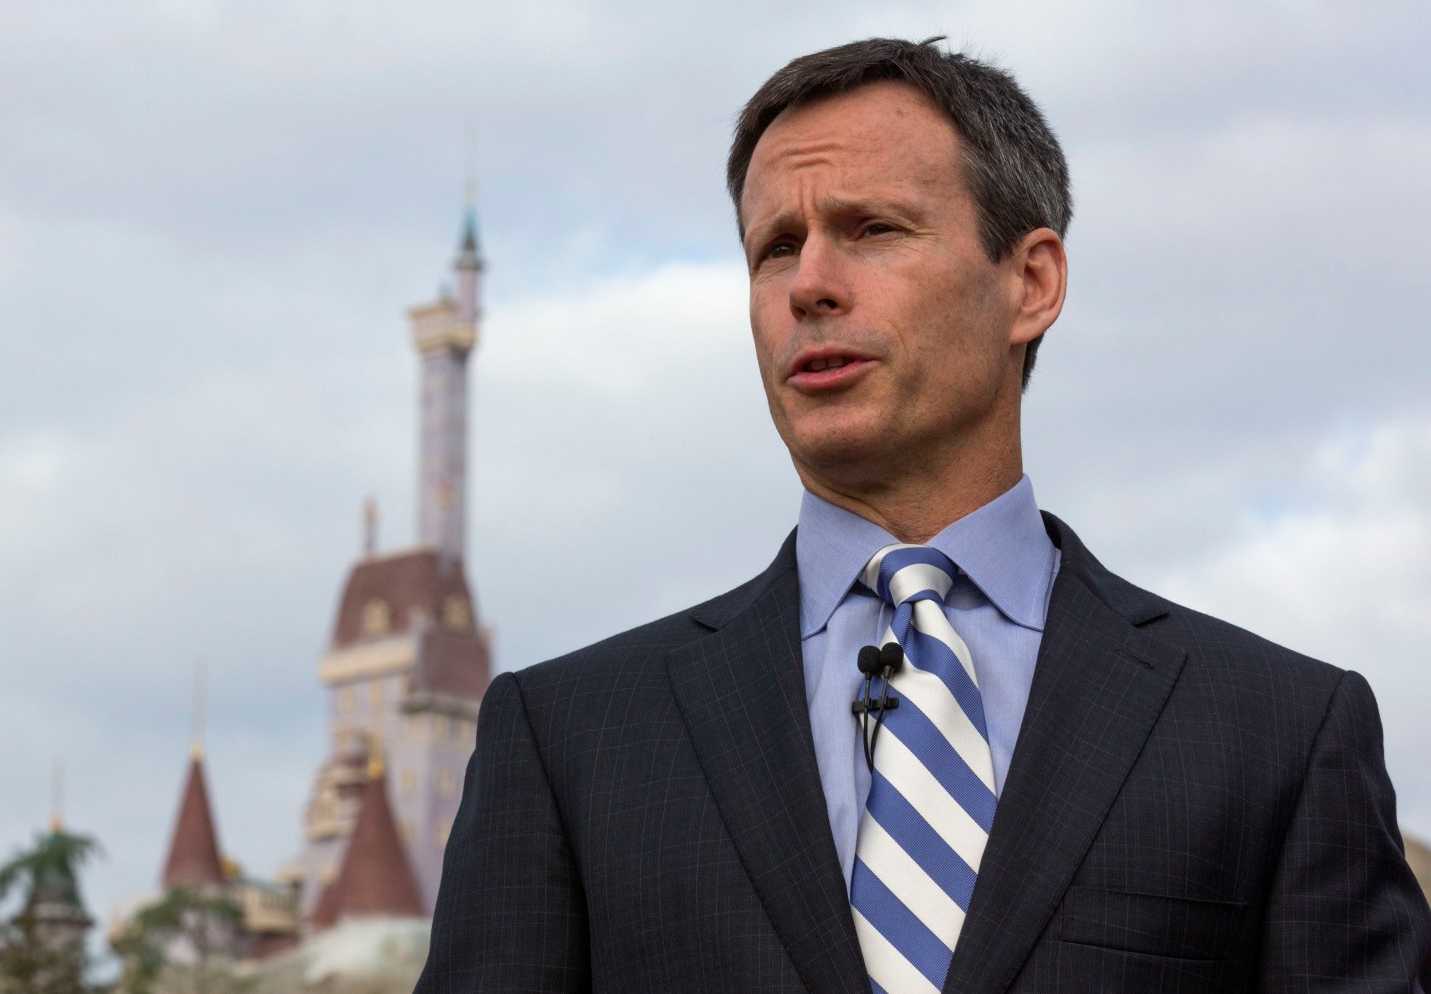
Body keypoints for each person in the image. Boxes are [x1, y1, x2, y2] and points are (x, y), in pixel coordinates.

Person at [416, 37, 1431, 993]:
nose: (809, 283)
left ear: (1030, 282)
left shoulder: (1279, 733)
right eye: (776, 248)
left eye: (872, 230)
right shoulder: (570, 742)